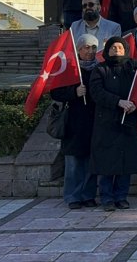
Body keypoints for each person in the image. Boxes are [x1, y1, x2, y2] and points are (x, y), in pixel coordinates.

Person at [89, 36, 137, 211]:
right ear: (107, 50)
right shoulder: (100, 70)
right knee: (107, 163)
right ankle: (107, 198)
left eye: (120, 48)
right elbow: (97, 92)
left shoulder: (132, 68)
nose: (116, 51)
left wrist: (134, 103)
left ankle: (121, 196)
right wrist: (118, 102)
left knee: (125, 163)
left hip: (127, 121)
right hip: (106, 123)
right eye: (113, 48)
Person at [51, 34, 99, 209]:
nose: (90, 51)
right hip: (73, 122)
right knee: (74, 164)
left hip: (94, 121)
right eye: (86, 47)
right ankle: (73, 196)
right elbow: (55, 92)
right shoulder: (69, 68)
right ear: (78, 49)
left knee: (90, 162)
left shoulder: (99, 68)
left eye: (93, 47)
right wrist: (74, 92)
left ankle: (88, 195)